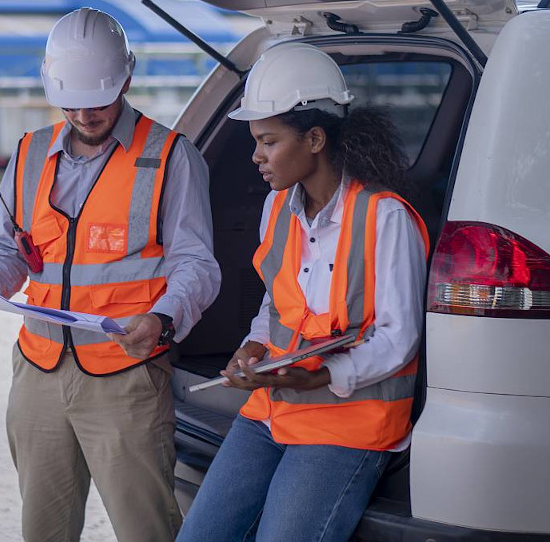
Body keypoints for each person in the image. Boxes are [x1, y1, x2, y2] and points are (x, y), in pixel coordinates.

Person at [0, 7, 221, 542]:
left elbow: (197, 265)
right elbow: (6, 247)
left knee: (145, 529)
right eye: (71, 101)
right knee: (44, 530)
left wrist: (164, 318)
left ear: (127, 78)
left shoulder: (171, 157)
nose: (84, 113)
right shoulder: (30, 153)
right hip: (39, 370)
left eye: (97, 100)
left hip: (126, 376)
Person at [176, 42, 429, 542]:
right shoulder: (277, 209)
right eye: (255, 141)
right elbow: (277, 303)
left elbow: (399, 337)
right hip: (274, 407)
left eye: (268, 141)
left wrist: (321, 377)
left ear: (314, 139)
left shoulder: (385, 217)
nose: (255, 156)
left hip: (349, 421)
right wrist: (253, 349)